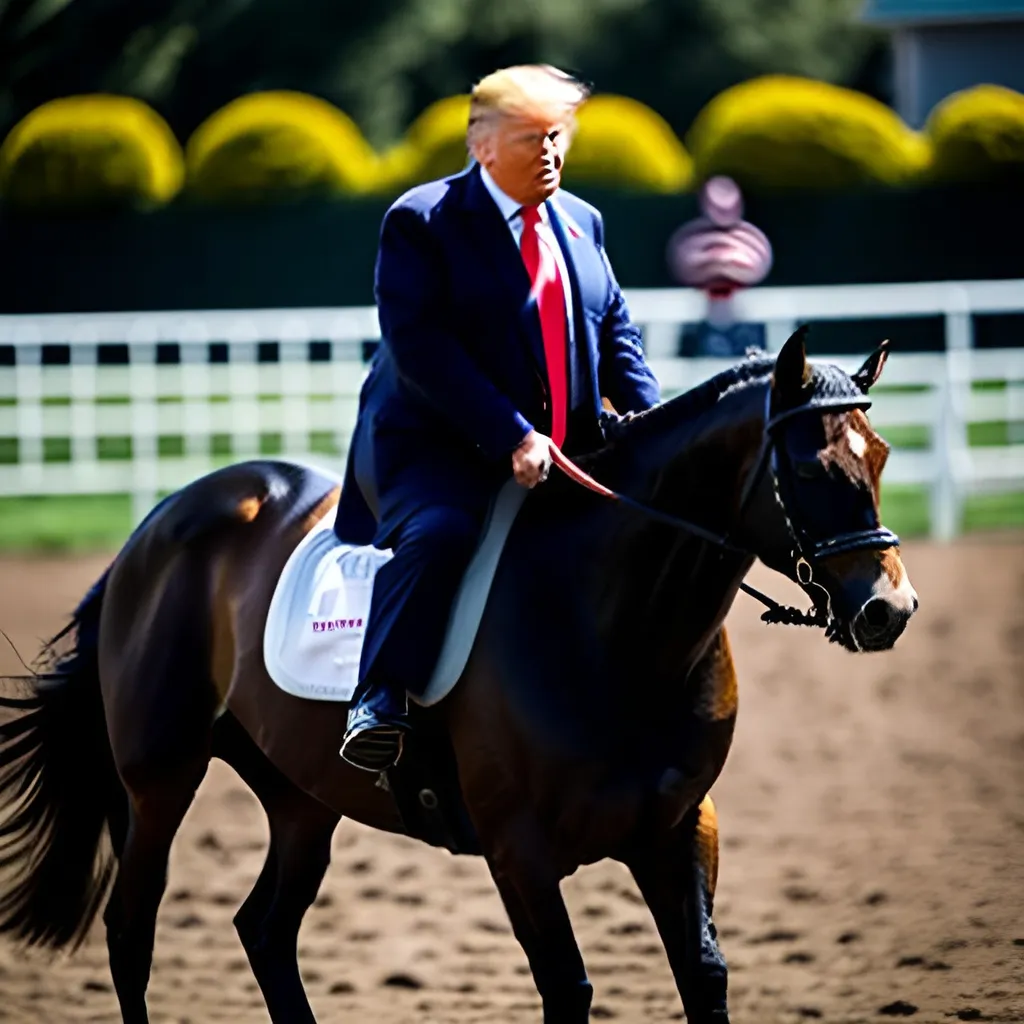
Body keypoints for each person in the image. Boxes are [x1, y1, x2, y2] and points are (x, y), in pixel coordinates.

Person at [334, 64, 661, 772]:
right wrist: (510, 433)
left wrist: (654, 424)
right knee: (444, 534)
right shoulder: (422, 222)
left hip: (564, 447)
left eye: (557, 137)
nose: (549, 152)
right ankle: (379, 695)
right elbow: (421, 348)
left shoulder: (583, 222)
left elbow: (616, 337)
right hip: (433, 449)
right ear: (482, 145)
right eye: (530, 138)